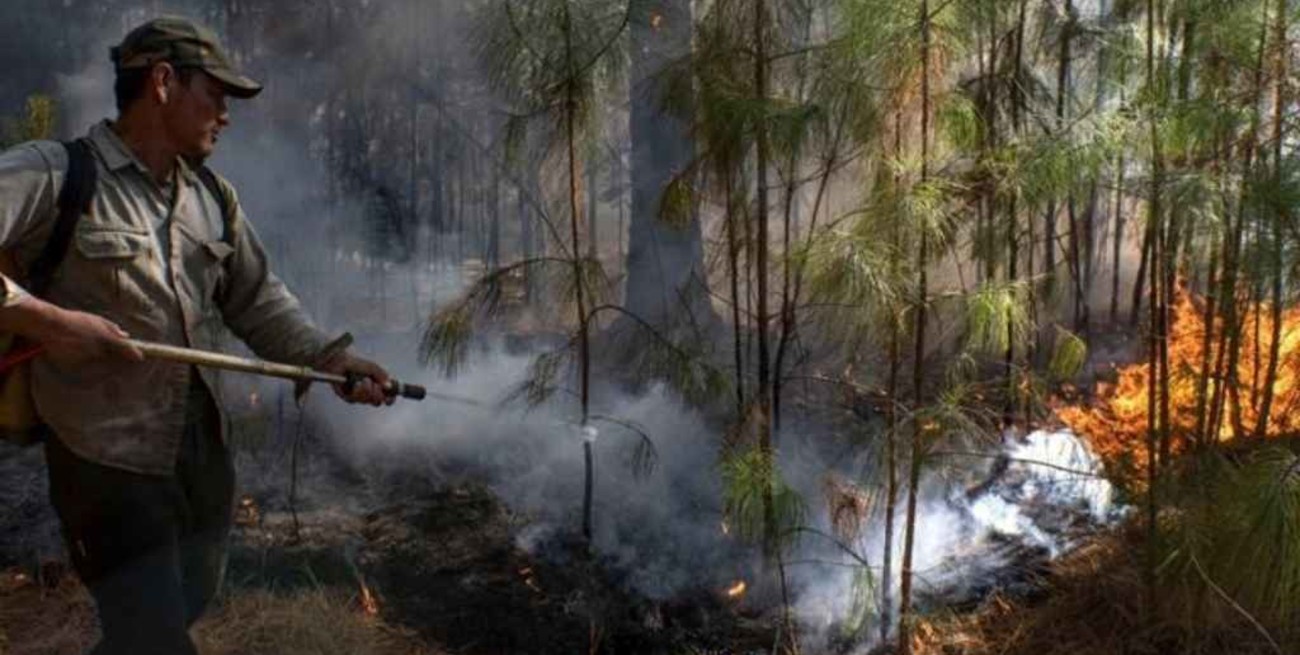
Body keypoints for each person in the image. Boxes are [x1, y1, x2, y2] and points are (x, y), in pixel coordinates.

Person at [0, 16, 393, 654]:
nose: (227, 116)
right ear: (162, 83)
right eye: (216, 96)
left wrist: (333, 358)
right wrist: (53, 321)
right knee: (155, 639)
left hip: (201, 455)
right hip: (104, 464)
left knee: (178, 609)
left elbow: (260, 301)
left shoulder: (213, 197)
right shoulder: (56, 175)